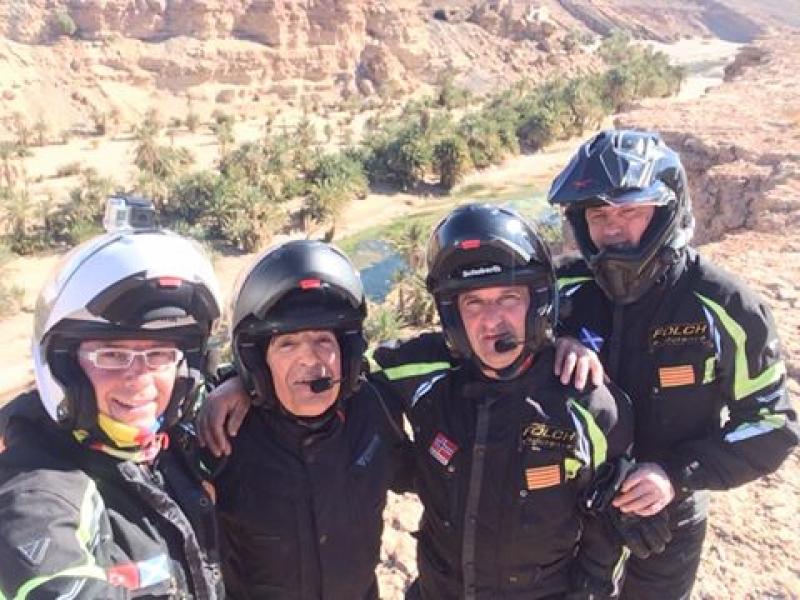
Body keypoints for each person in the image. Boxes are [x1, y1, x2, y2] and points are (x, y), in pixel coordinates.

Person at [200, 205, 638, 599]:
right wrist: (238, 379)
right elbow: (336, 371)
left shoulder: (588, 401)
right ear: (453, 313)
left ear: (536, 302)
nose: (492, 321)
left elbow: (613, 513)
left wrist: (591, 590)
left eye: (508, 298)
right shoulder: (417, 369)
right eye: (473, 303)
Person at [548, 129, 799, 599]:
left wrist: (674, 474)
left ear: (666, 211)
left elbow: (772, 424)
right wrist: (551, 342)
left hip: (667, 517)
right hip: (573, 513)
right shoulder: (559, 291)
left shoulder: (724, 305)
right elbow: (483, 345)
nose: (613, 229)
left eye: (630, 212)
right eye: (599, 215)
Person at [0, 229, 224, 599]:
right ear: (66, 367)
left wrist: (238, 386)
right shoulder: (37, 495)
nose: (140, 378)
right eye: (113, 355)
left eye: (159, 355)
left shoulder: (168, 448)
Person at [212, 240, 414, 599]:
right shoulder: (225, 430)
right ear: (260, 363)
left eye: (323, 340)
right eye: (287, 344)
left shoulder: (374, 408)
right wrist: (232, 380)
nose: (310, 359)